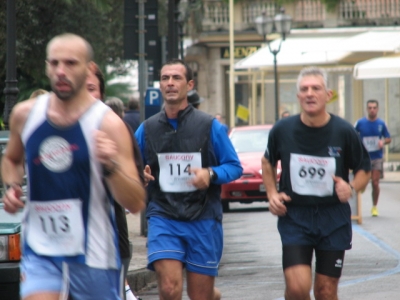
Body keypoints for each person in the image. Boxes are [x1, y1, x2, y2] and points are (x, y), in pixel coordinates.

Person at [1, 33, 146, 300]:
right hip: (41, 249)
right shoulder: (25, 115)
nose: (61, 71)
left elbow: (136, 201)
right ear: (46, 66)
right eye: (54, 63)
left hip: (94, 255)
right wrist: (12, 186)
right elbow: (11, 160)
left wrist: (110, 166)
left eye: (70, 63)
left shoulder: (108, 125)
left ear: (89, 68)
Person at [135, 59, 242, 300]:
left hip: (203, 217)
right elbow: (130, 163)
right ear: (160, 85)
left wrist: (210, 174)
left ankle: (211, 295)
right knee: (170, 288)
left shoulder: (210, 126)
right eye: (165, 78)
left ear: (189, 84)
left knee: (200, 296)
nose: (170, 83)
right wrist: (138, 174)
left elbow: (234, 167)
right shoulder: (147, 129)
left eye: (176, 78)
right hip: (163, 215)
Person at [261, 66, 371, 300]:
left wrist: (350, 187)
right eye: (304, 89)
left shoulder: (344, 131)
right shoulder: (282, 130)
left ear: (328, 94)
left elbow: (364, 169)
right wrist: (272, 194)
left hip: (333, 218)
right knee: (298, 288)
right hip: (295, 216)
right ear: (298, 96)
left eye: (316, 88)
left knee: (325, 291)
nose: (310, 93)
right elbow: (267, 162)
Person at [88, 74, 141, 300]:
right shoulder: (45, 124)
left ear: (101, 95)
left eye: (91, 88)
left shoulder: (115, 127)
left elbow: (135, 199)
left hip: (107, 236)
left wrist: (111, 167)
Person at [355, 99, 391, 217]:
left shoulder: (381, 123)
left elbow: (388, 138)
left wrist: (383, 142)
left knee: (375, 183)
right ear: (367, 109)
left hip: (377, 157)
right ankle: (363, 185)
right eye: (370, 108)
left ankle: (374, 207)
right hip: (363, 157)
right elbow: (352, 135)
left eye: (374, 108)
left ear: (377, 109)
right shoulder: (360, 123)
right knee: (363, 181)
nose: (372, 110)